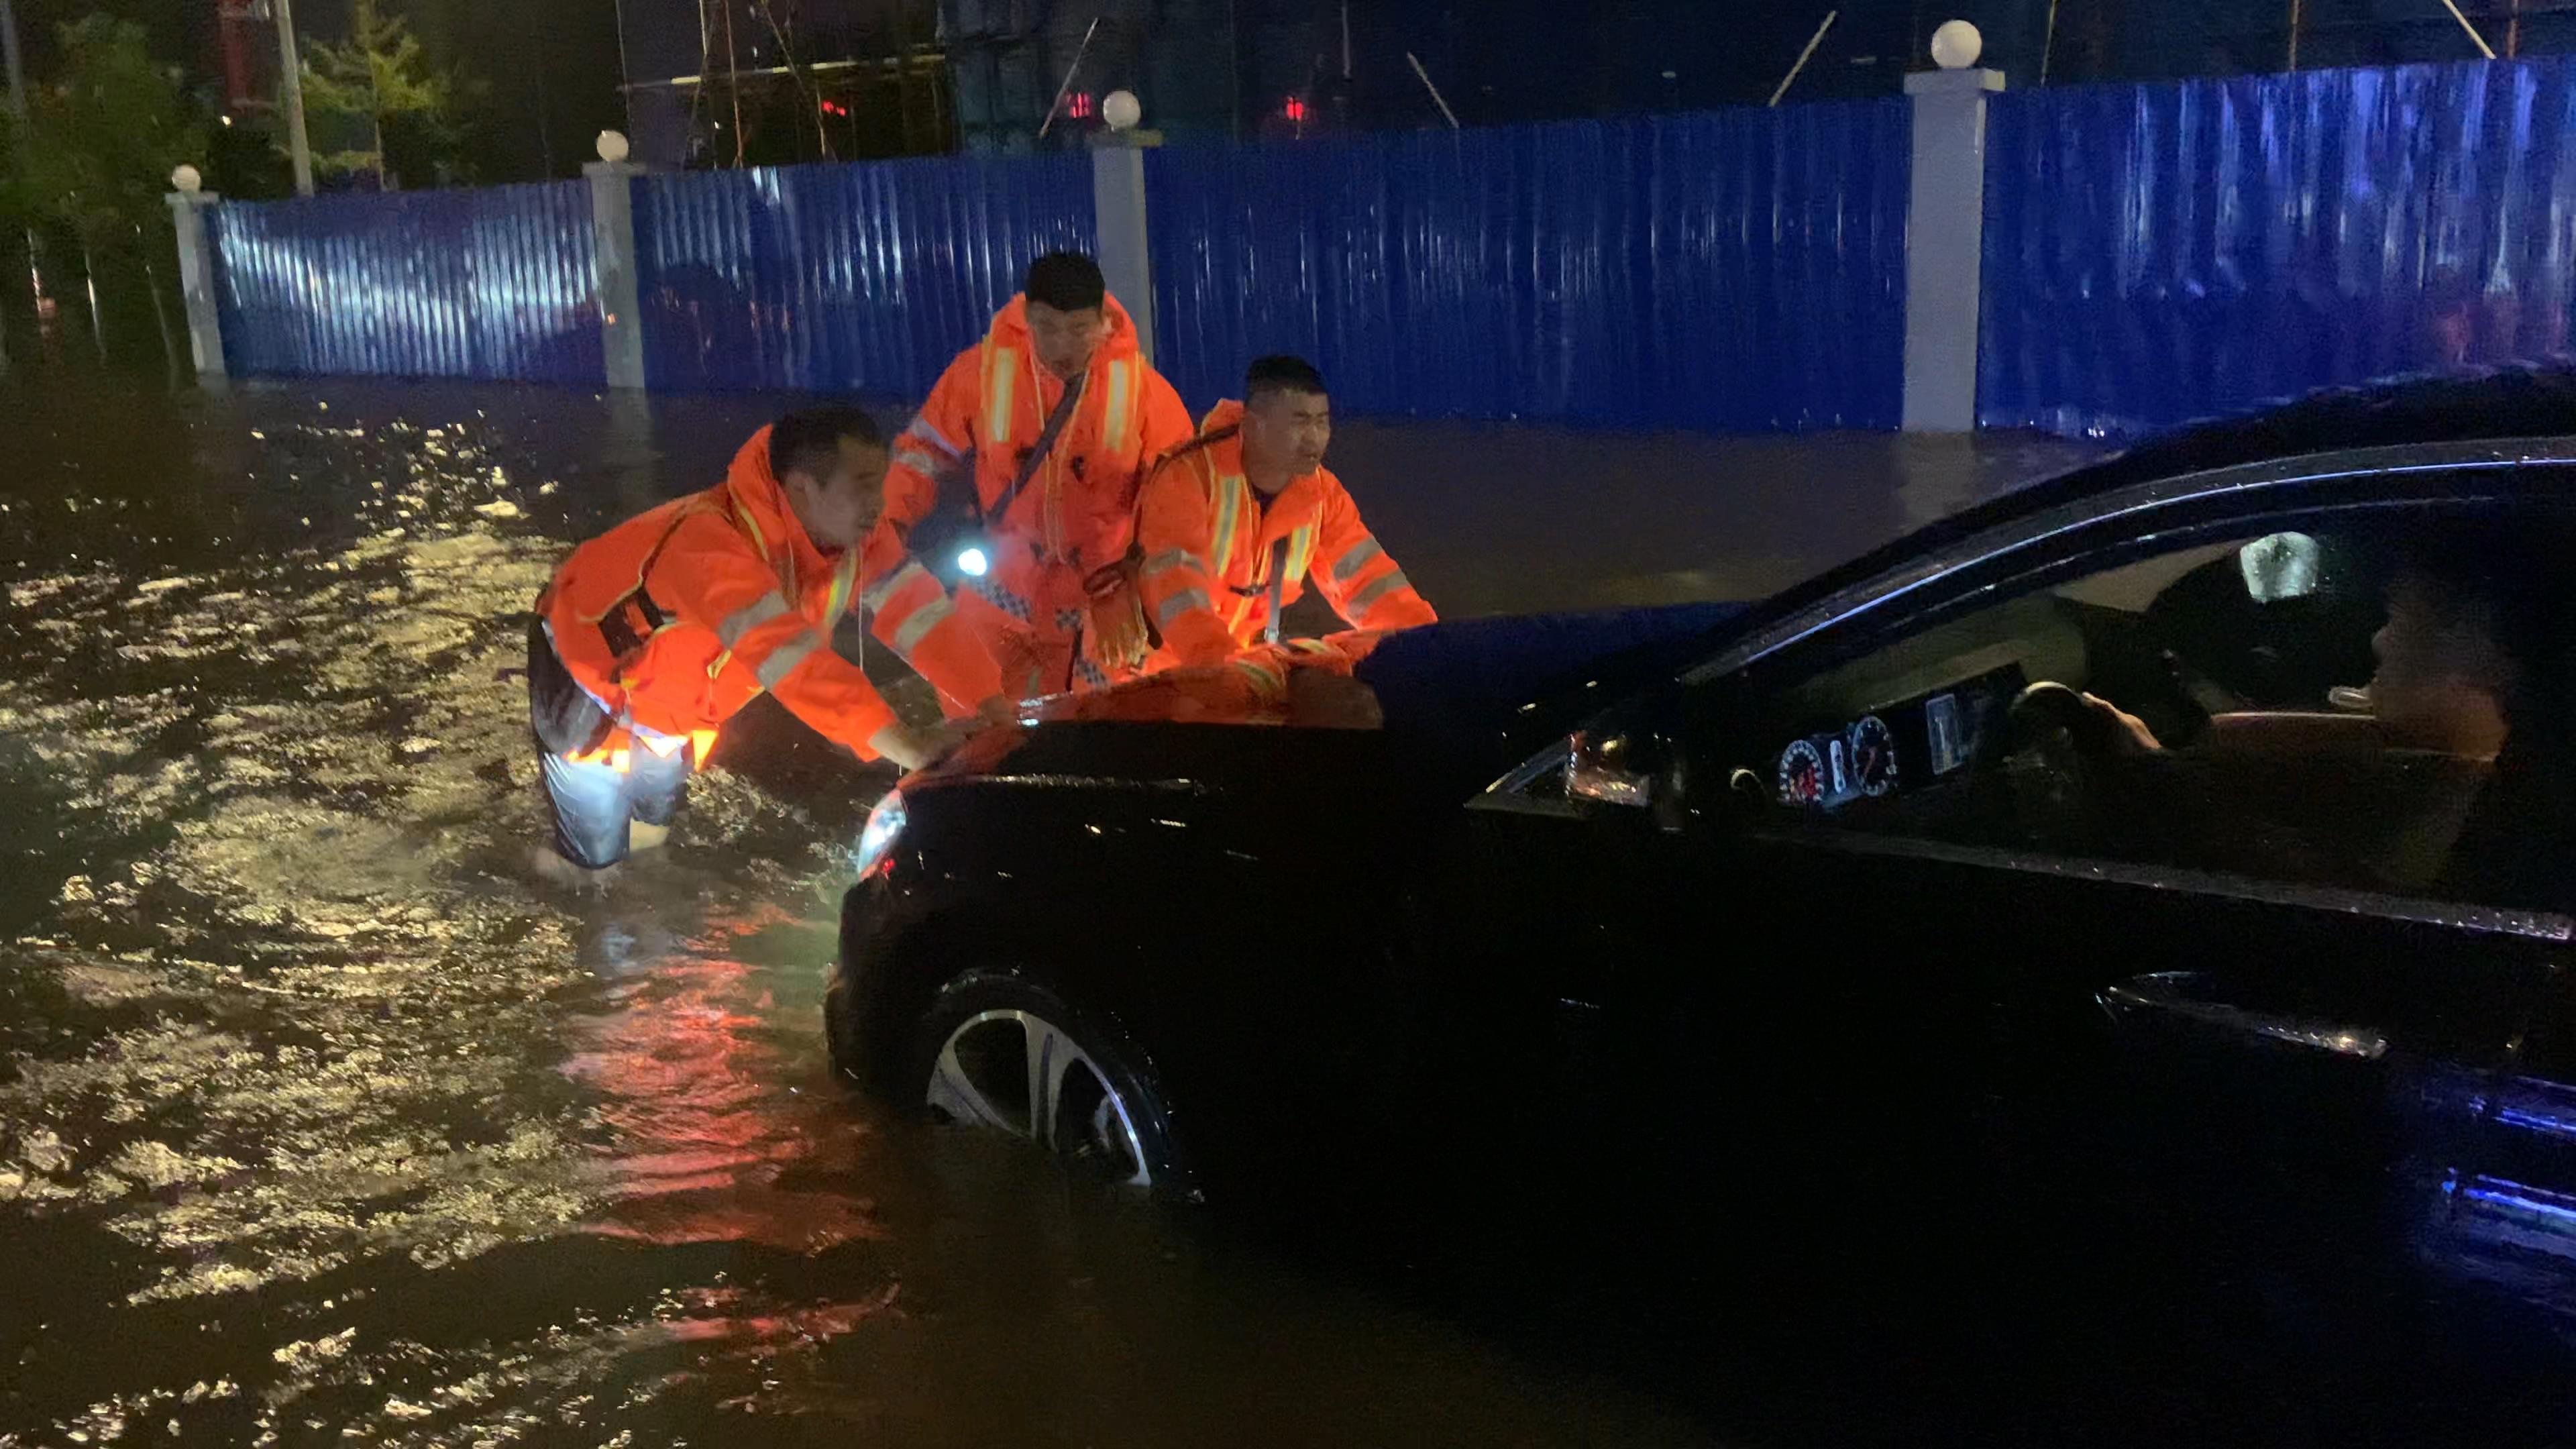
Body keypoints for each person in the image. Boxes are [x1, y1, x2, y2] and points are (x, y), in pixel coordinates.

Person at [527, 407, 1000, 883]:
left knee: (651, 844)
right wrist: (908, 746)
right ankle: (551, 869)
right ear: (801, 489)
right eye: (862, 487)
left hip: (671, 701)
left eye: (880, 484)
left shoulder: (854, 535)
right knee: (595, 870)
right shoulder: (708, 546)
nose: (879, 505)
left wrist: (993, 705)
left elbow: (921, 615)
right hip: (584, 676)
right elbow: (792, 661)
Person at [874, 252, 1193, 700]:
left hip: (1103, 601)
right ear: (1026, 316)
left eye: (1078, 330)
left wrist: (1139, 577)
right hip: (1001, 589)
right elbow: (922, 454)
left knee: (1110, 724)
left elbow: (1181, 502)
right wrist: (886, 526)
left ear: (1102, 321)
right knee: (974, 714)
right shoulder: (980, 373)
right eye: (1047, 327)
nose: (1062, 347)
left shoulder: (1144, 392)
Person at [1133, 356, 1437, 672]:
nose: (1314, 438)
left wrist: (1424, 643)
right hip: (1163, 672)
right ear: (1252, 426)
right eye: (1299, 422)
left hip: (1237, 667)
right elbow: (1176, 587)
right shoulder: (1188, 479)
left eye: (1322, 422)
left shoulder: (1321, 494)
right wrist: (1222, 664)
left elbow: (1369, 579)